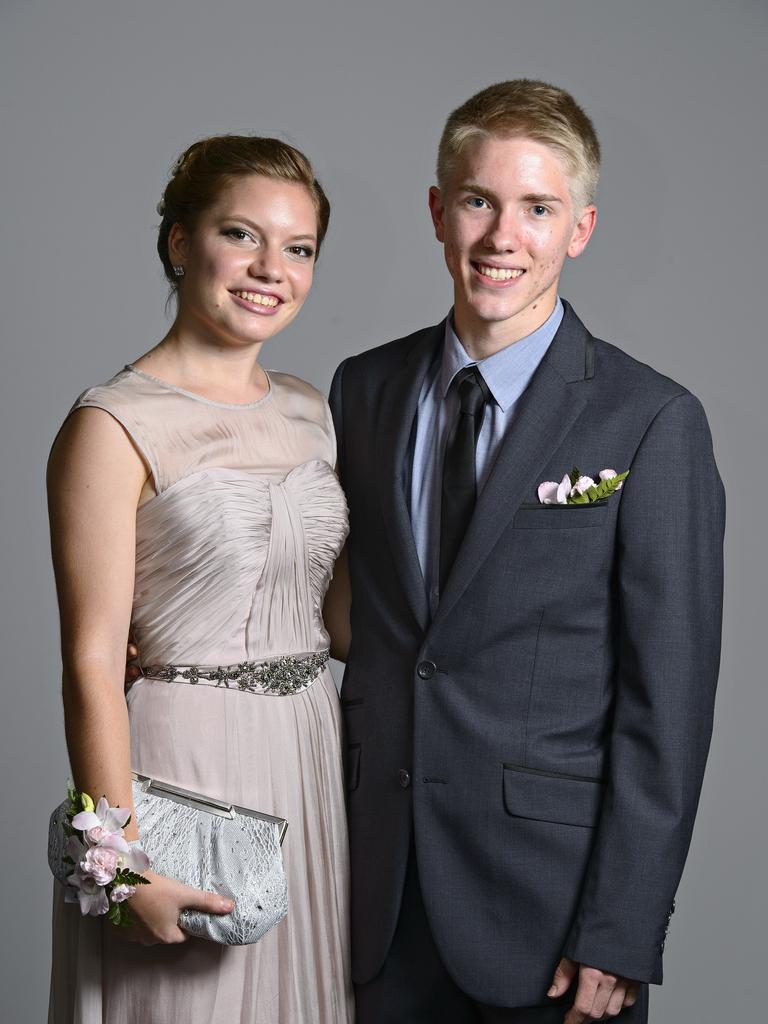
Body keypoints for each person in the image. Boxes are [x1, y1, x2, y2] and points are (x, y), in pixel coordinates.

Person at [329, 80, 725, 1023]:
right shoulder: (364, 391)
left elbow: (668, 702)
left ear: (579, 228)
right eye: (478, 201)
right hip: (369, 895)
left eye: (537, 208)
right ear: (438, 211)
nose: (503, 236)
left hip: (547, 918)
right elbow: (345, 609)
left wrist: (621, 929)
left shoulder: (651, 421)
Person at [47, 136, 353, 1024]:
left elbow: (342, 624)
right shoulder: (112, 423)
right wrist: (123, 862)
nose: (271, 270)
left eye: (298, 250)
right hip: (184, 762)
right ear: (181, 243)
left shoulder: (311, 409)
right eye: (241, 235)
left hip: (308, 752)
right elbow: (92, 664)